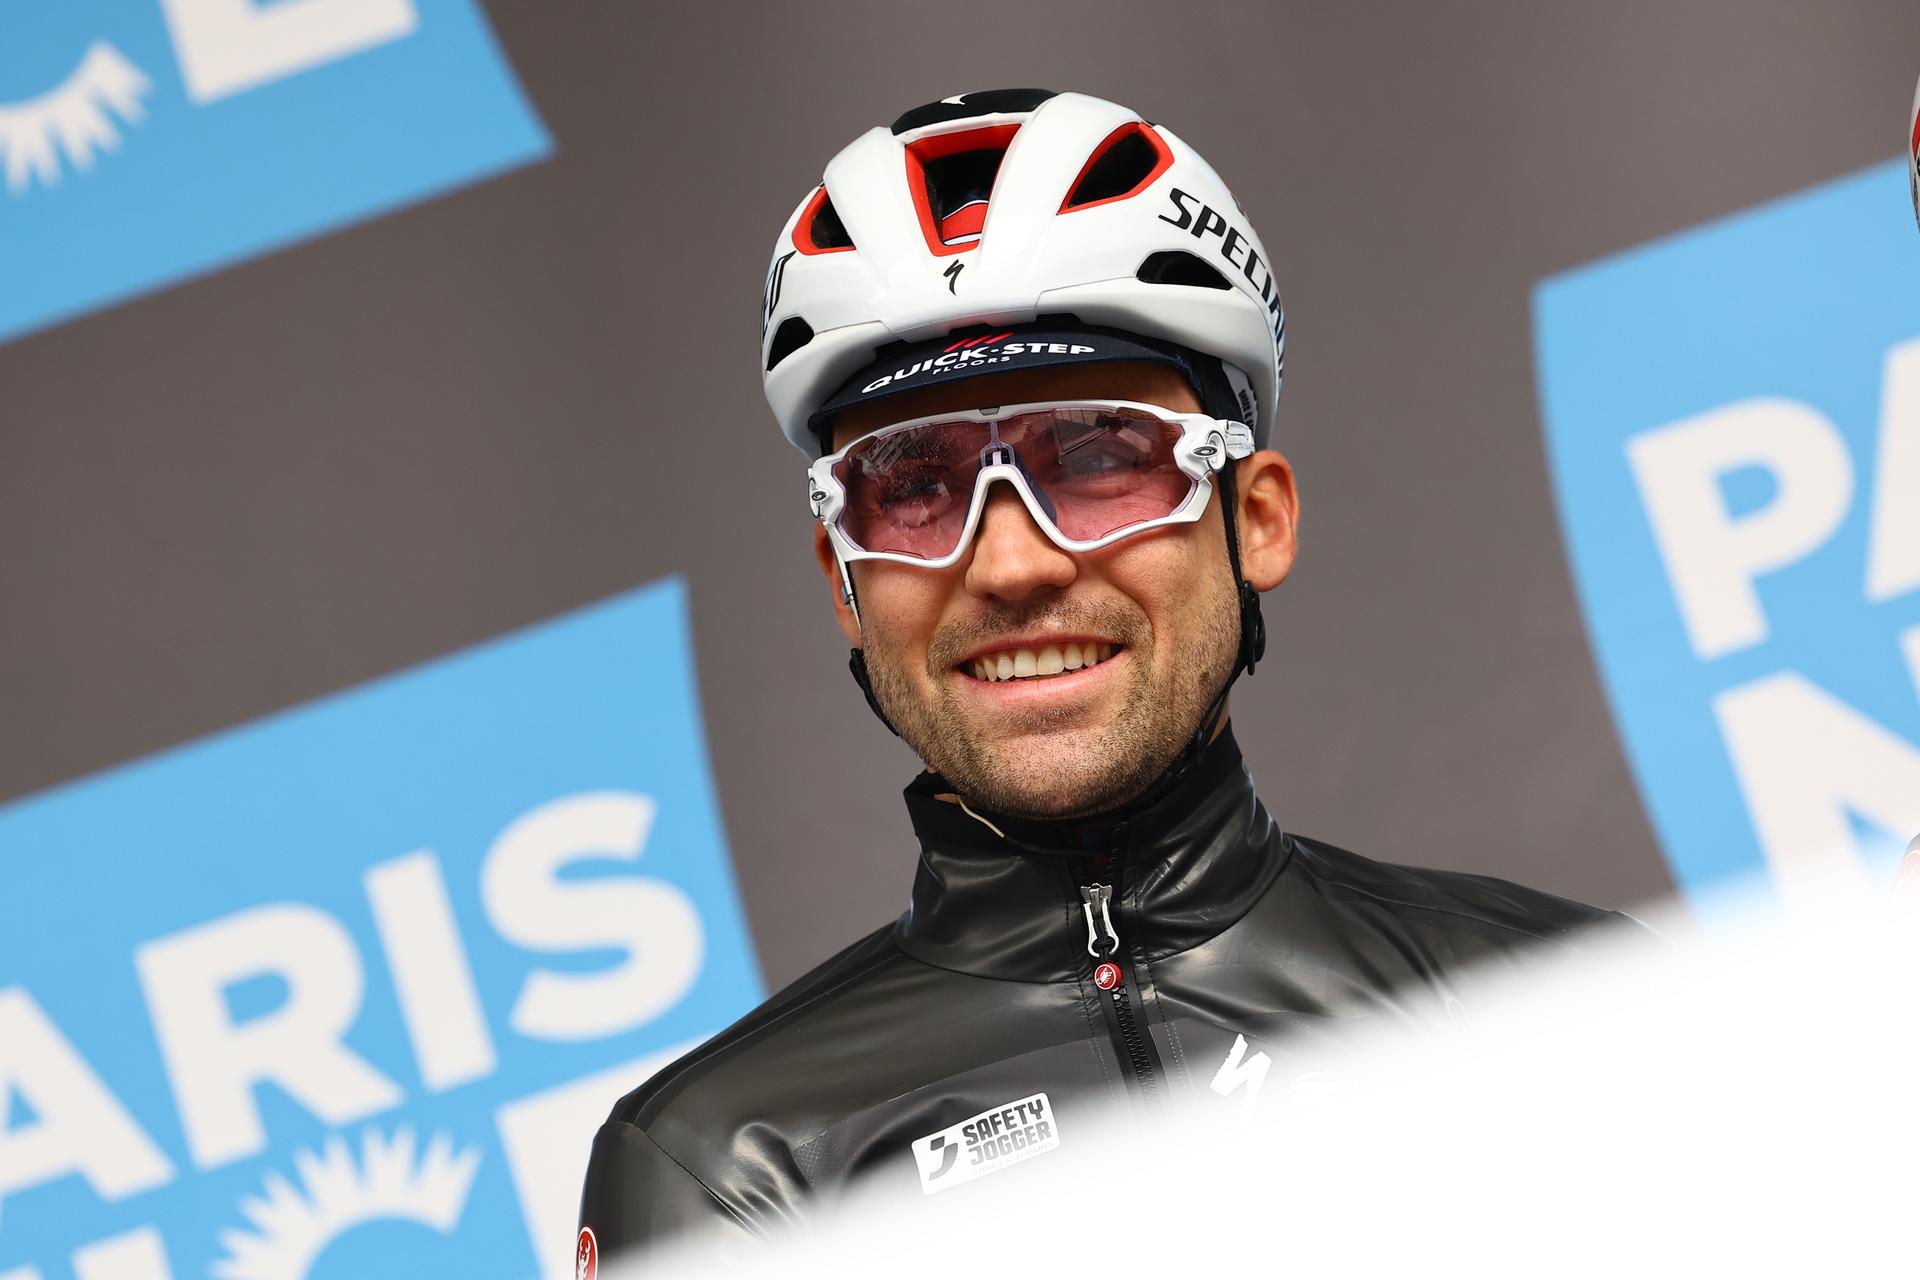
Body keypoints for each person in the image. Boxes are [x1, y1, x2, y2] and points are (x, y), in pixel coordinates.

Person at [576, 88, 1637, 1267]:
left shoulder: (1577, 1006)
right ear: (844, 577)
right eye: (914, 484)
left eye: (1094, 455)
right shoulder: (727, 1167)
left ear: (1259, 517)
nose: (1015, 561)